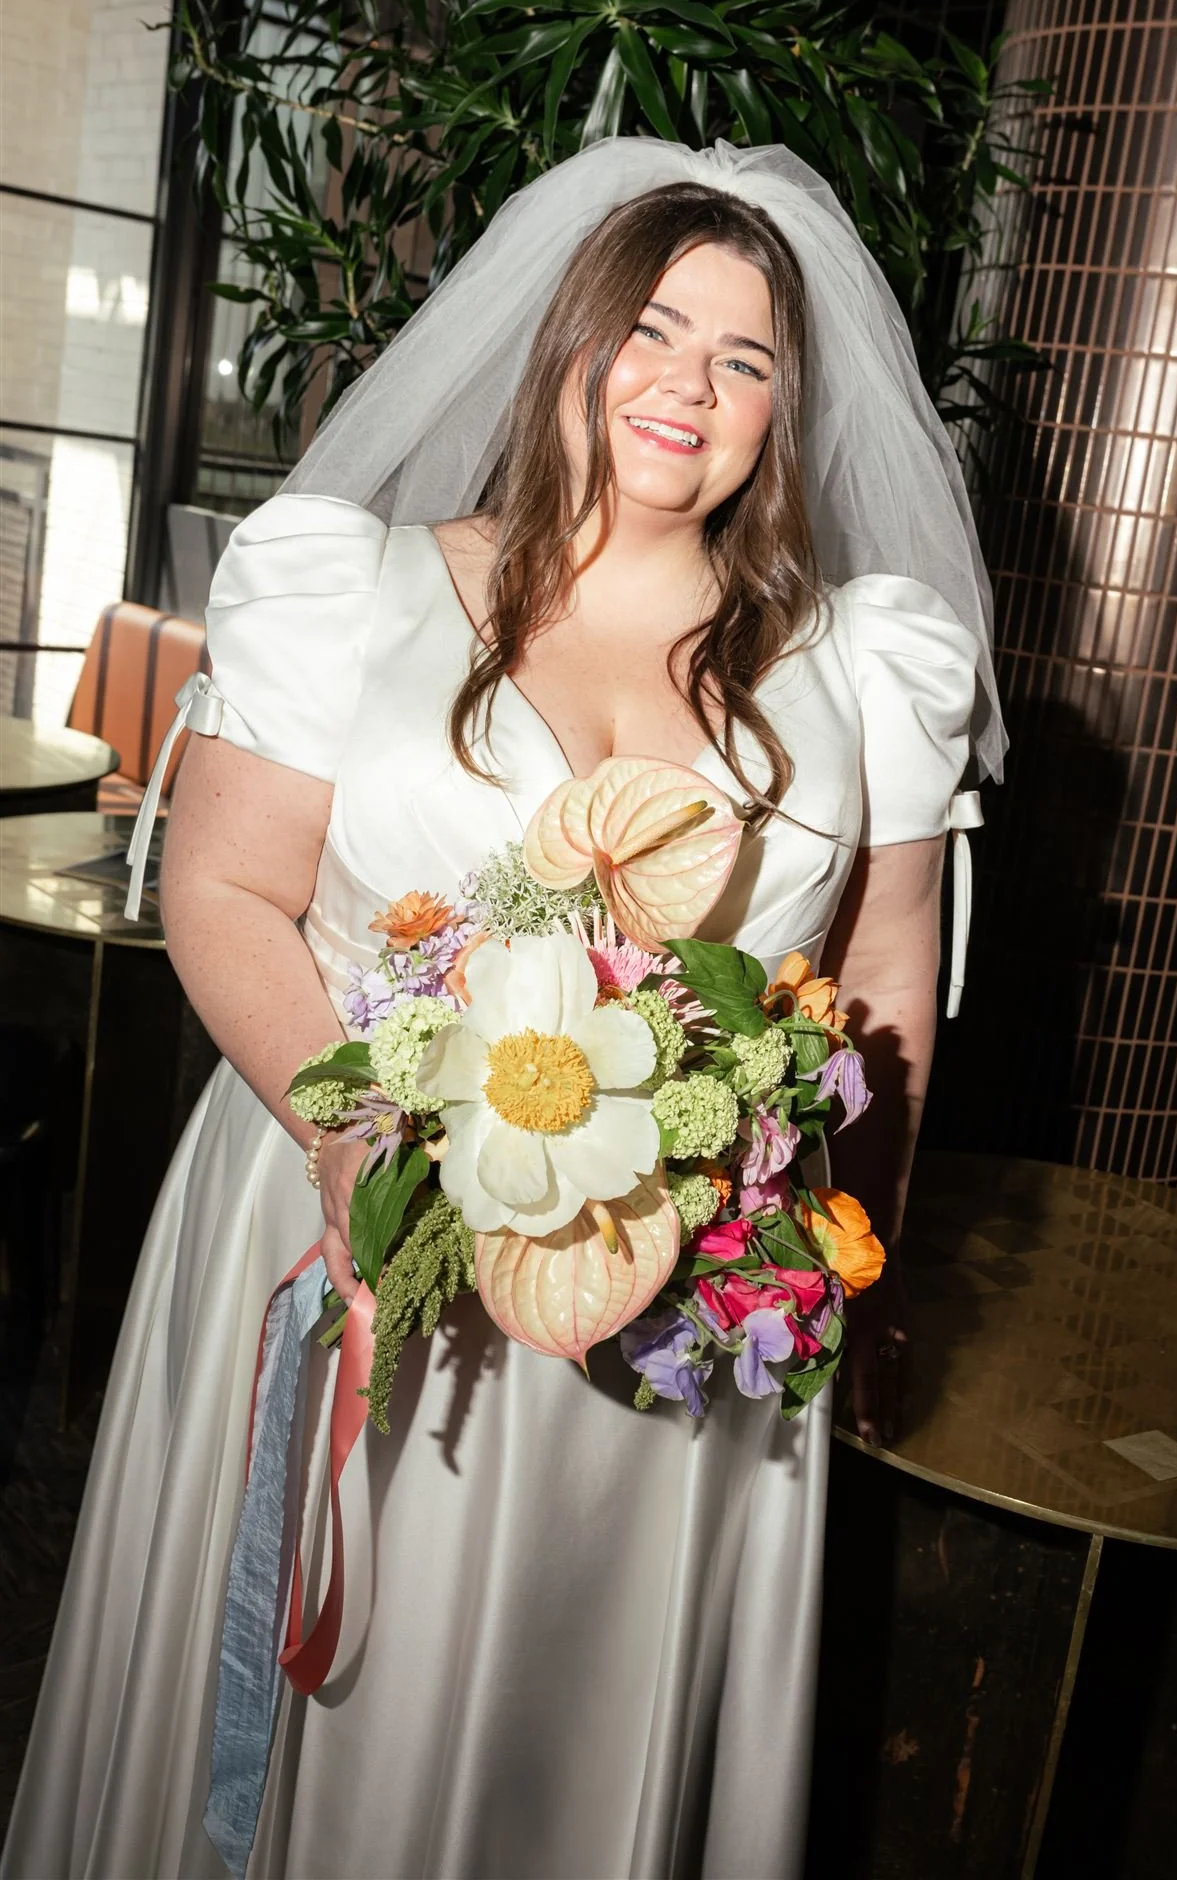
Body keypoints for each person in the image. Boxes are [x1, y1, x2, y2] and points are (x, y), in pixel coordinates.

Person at [2, 140, 1004, 1880]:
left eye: (746, 358)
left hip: (682, 1324)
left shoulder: (869, 666)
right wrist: (350, 1134)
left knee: (574, 1736)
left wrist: (865, 1244)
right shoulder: (358, 588)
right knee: (329, 1713)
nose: (690, 382)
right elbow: (222, 891)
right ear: (568, 341)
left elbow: (888, 972)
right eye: (654, 328)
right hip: (350, 1241)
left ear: (786, 411)